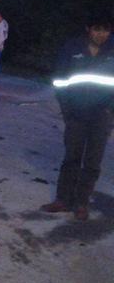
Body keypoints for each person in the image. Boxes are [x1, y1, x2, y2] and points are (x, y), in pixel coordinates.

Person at [41, 13, 114, 220]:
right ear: (88, 29)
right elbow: (60, 80)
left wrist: (111, 110)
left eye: (106, 30)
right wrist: (67, 108)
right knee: (72, 157)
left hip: (102, 116)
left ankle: (82, 203)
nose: (101, 34)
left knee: (92, 162)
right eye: (97, 29)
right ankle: (63, 200)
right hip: (76, 113)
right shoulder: (72, 48)